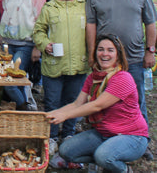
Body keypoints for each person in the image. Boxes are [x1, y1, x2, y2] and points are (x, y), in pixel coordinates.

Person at [86, 0, 156, 161]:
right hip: (105, 60)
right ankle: (109, 138)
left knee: (137, 100)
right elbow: (91, 24)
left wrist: (150, 51)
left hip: (133, 58)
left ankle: (141, 142)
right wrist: (92, 53)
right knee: (102, 100)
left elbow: (151, 23)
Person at [47, 34, 149, 173]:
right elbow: (77, 104)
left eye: (110, 50)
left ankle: (123, 169)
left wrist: (65, 116)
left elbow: (97, 105)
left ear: (118, 55)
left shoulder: (122, 78)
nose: (104, 54)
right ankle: (107, 157)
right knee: (66, 151)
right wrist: (54, 113)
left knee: (103, 156)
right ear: (95, 53)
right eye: (100, 49)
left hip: (132, 136)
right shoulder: (93, 77)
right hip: (103, 133)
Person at [33, 0, 89, 154]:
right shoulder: (50, 7)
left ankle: (69, 135)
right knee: (52, 103)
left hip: (78, 64)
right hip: (54, 65)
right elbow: (38, 31)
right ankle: (52, 137)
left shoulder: (84, 7)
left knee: (73, 102)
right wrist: (45, 44)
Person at [0, 0, 45, 110]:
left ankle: (26, 109)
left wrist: (37, 47)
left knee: (10, 81)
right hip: (6, 45)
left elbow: (41, 22)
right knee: (14, 81)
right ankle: (21, 116)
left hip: (25, 45)